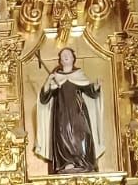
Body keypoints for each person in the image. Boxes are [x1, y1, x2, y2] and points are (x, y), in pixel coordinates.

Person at [36, 46, 101, 174]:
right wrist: (48, 82)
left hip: (78, 112)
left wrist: (96, 87)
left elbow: (91, 92)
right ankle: (67, 163)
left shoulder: (79, 75)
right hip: (61, 114)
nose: (65, 56)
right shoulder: (56, 77)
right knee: (63, 135)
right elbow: (44, 98)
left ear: (73, 58)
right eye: (63, 54)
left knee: (81, 135)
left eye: (68, 54)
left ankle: (82, 162)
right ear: (60, 60)